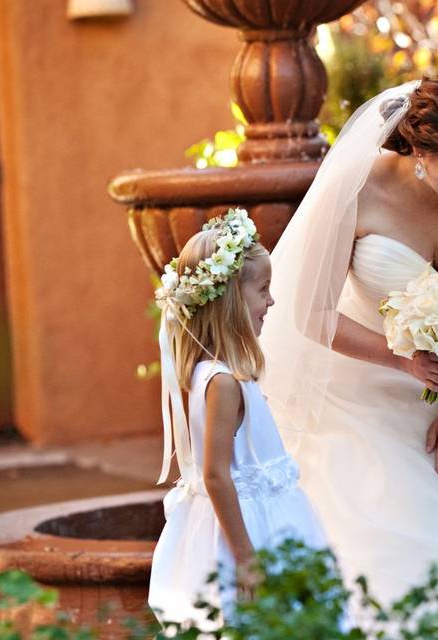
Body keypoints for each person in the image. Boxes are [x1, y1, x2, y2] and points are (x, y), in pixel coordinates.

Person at [259, 69, 438, 617]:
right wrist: (402, 359)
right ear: (424, 146)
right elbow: (310, 314)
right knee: (381, 561)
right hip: (363, 400)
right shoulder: (360, 188)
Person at [148, 209, 327, 626]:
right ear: (230, 301)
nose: (272, 300)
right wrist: (246, 558)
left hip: (249, 514)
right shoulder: (223, 382)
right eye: (263, 290)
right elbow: (215, 474)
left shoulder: (210, 372)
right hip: (247, 526)